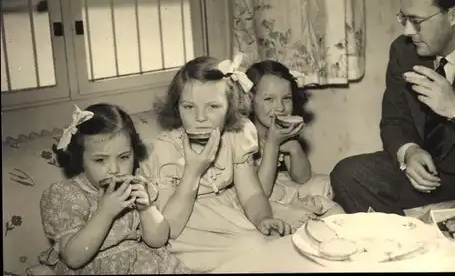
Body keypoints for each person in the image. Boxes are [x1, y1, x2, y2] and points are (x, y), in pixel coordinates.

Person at [330, 0, 455, 218]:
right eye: (404, 19)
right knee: (348, 174)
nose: (408, 31)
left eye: (416, 21)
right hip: (431, 172)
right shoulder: (404, 50)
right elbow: (393, 120)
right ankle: (406, 243)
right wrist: (408, 152)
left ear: (454, 15)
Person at [140, 56, 292, 272]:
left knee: (275, 246)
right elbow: (170, 228)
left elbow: (251, 193)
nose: (200, 117)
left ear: (230, 107)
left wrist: (263, 218)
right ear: (176, 107)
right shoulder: (165, 150)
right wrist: (193, 170)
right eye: (188, 107)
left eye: (213, 106)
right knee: (253, 252)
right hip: (186, 227)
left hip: (227, 214)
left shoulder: (236, 136)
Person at [38, 103, 191, 274]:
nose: (115, 169)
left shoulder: (137, 185)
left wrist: (146, 209)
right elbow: (73, 259)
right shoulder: (65, 195)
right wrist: (105, 213)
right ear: (80, 159)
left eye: (124, 157)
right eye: (100, 160)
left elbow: (158, 241)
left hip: (143, 266)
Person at [245, 60, 344, 229]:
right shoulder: (243, 135)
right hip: (254, 195)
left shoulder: (280, 128)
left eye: (286, 98)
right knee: (294, 213)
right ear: (250, 100)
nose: (280, 107)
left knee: (327, 184)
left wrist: (293, 147)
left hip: (279, 184)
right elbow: (260, 193)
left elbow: (303, 177)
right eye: (269, 99)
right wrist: (272, 145)